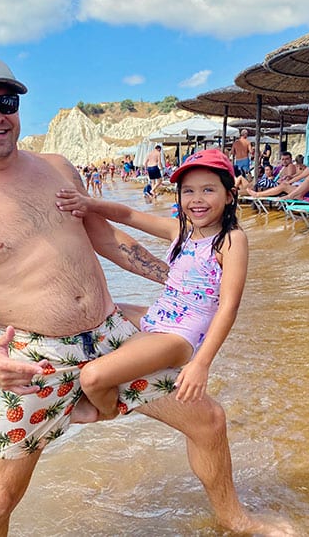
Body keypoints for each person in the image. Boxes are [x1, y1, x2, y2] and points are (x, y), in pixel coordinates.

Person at [0, 52, 290, 536]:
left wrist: (191, 284)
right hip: (34, 363)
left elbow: (108, 239)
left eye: (5, 101)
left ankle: (237, 521)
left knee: (208, 420)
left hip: (113, 336)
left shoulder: (57, 169)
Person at [54, 149, 247, 423]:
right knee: (93, 313)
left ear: (229, 195)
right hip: (156, 316)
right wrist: (89, 204)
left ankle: (107, 411)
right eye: (188, 191)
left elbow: (229, 306)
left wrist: (201, 365)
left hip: (181, 336)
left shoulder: (231, 240)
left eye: (208, 190)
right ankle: (114, 381)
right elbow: (129, 215)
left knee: (92, 377)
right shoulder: (181, 230)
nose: (197, 199)